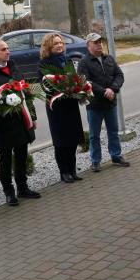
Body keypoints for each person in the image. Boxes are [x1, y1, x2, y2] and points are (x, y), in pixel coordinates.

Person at [0, 39, 41, 205]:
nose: (8, 51)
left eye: (8, 48)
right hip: (4, 125)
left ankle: (22, 187)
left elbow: (26, 94)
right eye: (3, 49)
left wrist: (32, 116)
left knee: (21, 155)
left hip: (21, 120)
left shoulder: (14, 67)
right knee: (5, 158)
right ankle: (9, 192)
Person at [78, 33, 130, 171]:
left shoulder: (109, 58)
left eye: (100, 42)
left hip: (110, 103)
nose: (99, 44)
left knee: (113, 132)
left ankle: (116, 156)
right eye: (96, 42)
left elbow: (119, 75)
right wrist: (104, 91)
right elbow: (85, 81)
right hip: (94, 105)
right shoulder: (84, 62)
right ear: (88, 45)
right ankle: (95, 161)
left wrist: (112, 89)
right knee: (94, 135)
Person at [39, 33, 85, 182]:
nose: (59, 45)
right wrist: (63, 86)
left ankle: (73, 170)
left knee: (72, 139)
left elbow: (74, 78)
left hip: (70, 104)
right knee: (61, 141)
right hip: (57, 107)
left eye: (61, 43)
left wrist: (79, 88)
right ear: (48, 47)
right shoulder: (44, 64)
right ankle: (64, 172)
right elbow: (46, 85)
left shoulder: (67, 60)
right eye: (55, 44)